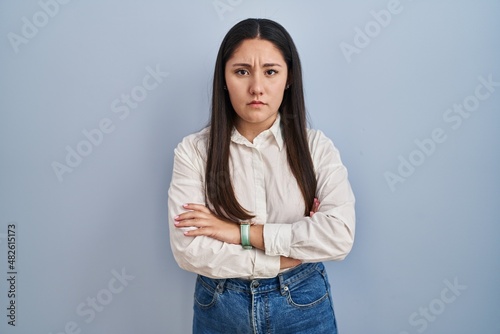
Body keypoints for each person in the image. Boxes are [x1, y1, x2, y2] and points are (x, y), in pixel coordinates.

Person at [168, 18, 355, 334]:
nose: (256, 87)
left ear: (288, 78)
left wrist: (238, 232)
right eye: (242, 71)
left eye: (270, 72)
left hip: (302, 304)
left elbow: (338, 236)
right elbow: (189, 251)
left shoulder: (317, 148)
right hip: (220, 305)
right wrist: (284, 256)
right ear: (224, 79)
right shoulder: (194, 151)